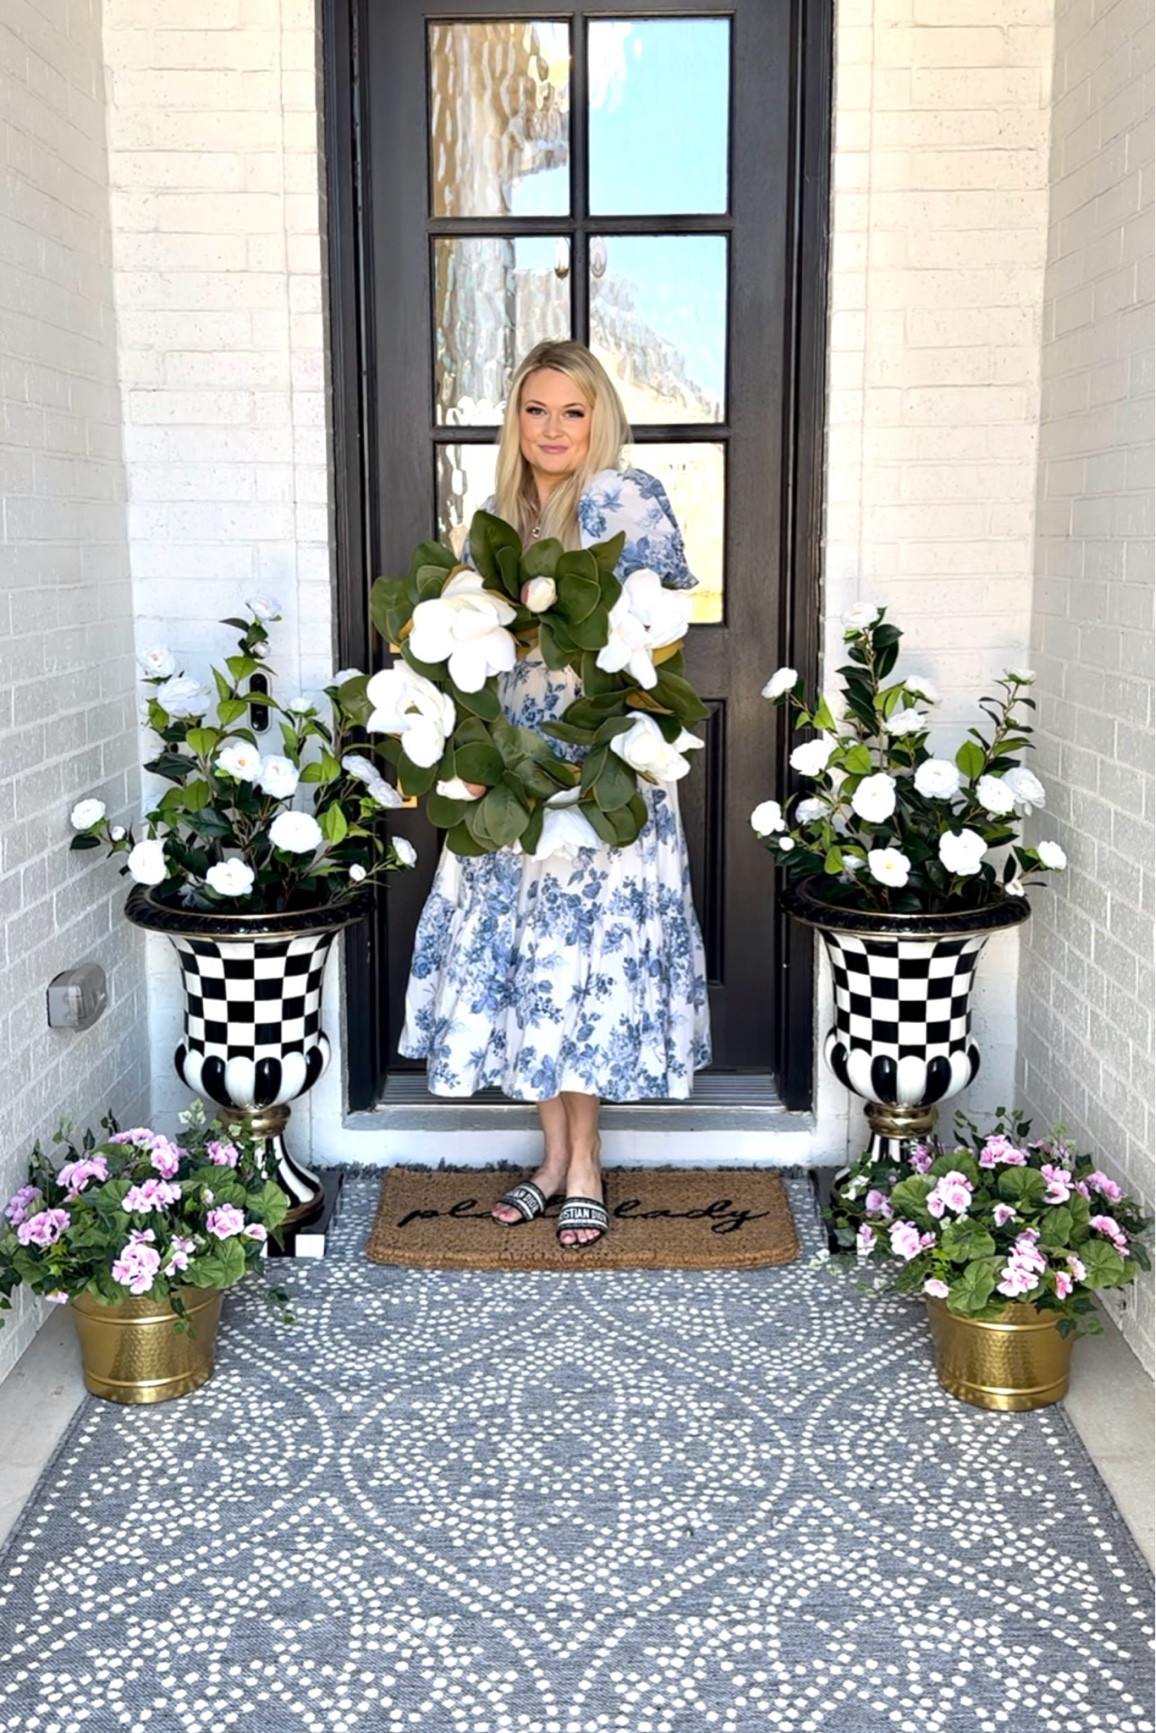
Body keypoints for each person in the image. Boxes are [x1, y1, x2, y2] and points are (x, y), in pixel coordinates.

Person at [399, 340, 711, 1248]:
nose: (553, 429)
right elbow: (456, 663)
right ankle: (549, 1155)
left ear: (598, 418)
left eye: (572, 411)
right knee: (532, 973)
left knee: (585, 975)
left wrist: (607, 725)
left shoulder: (626, 500)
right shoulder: (489, 524)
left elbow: (660, 644)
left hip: (602, 768)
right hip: (515, 775)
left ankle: (586, 1163)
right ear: (517, 421)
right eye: (537, 410)